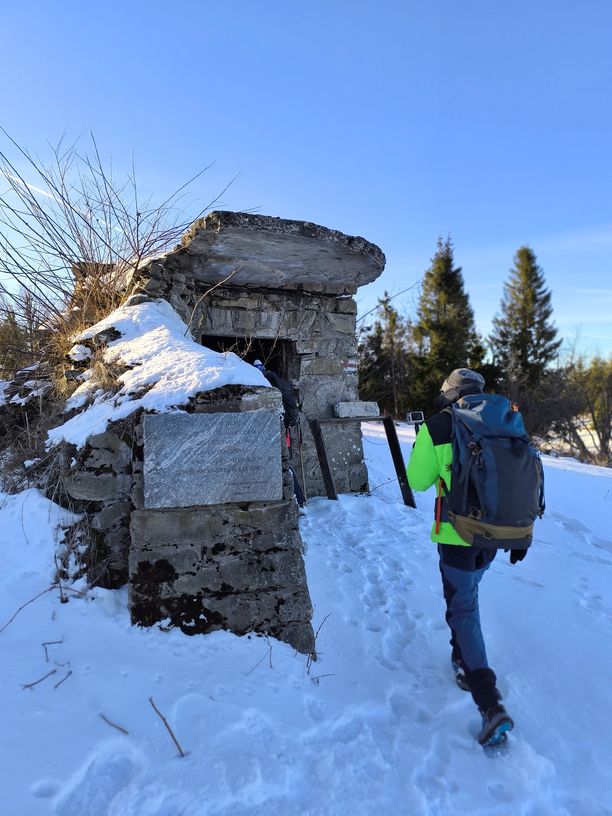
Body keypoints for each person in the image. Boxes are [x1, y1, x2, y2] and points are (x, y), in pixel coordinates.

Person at [406, 367, 515, 747]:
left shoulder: (437, 426)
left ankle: (490, 704)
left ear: (450, 393)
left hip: (457, 534)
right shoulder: (503, 419)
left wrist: (423, 446)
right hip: (499, 532)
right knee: (466, 599)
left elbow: (418, 480)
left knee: (462, 606)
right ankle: (460, 658)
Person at [253, 359, 305, 506]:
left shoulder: (268, 380)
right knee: (282, 463)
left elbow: (286, 400)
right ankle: (297, 500)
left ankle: (298, 500)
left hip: (278, 427)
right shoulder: (276, 379)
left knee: (282, 463)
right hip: (283, 426)